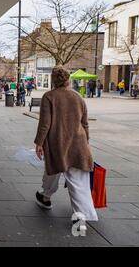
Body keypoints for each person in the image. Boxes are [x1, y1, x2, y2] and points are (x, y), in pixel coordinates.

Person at [34, 66, 98, 230]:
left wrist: (39, 143)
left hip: (57, 142)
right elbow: (85, 123)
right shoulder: (78, 97)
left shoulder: (49, 97)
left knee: (53, 169)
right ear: (68, 79)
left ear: (53, 81)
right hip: (79, 142)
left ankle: (46, 196)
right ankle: (80, 218)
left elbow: (45, 124)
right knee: (78, 182)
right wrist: (86, 142)